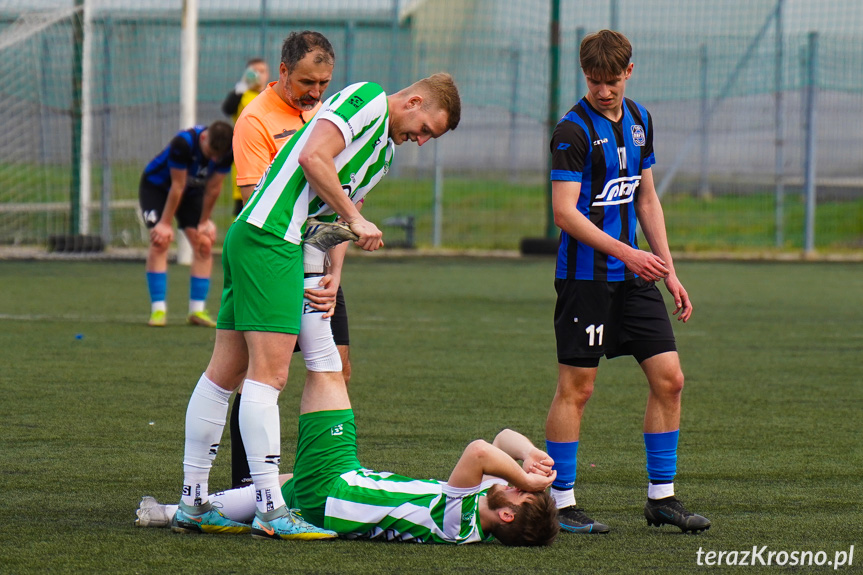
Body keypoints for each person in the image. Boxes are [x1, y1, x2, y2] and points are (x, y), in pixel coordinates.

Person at [174, 72, 462, 539]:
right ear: (414, 101)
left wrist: (332, 274)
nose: (422, 141)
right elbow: (313, 158)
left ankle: (193, 503)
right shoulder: (366, 98)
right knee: (269, 378)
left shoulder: (384, 153)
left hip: (275, 242)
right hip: (272, 238)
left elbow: (333, 211)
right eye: (427, 128)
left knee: (225, 372)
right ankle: (269, 508)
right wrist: (355, 218)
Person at [544, 29, 710, 534]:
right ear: (585, 75)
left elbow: (645, 199)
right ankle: (560, 501)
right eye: (595, 81)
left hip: (635, 277)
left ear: (628, 73)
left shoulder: (639, 121)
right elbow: (563, 214)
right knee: (578, 387)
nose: (603, 90)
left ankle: (662, 498)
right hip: (586, 279)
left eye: (612, 81)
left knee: (670, 379)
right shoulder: (571, 132)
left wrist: (668, 268)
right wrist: (629, 253)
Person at [136, 375, 560, 546]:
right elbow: (503, 439)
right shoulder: (484, 506)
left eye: (520, 494)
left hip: (335, 490)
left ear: (506, 516)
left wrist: (523, 473)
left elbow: (480, 449)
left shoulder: (462, 523)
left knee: (326, 370)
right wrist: (529, 455)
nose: (518, 485)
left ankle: (307, 272)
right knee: (281, 483)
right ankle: (170, 513)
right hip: (336, 492)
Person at [223, 31, 346, 491]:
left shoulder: (326, 117)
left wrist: (334, 271)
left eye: (324, 83)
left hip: (321, 263)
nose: (315, 92)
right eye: (307, 82)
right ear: (282, 72)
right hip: (273, 260)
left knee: (335, 367)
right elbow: (260, 205)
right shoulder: (254, 119)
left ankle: (323, 476)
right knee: (255, 374)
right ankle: (247, 484)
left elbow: (337, 194)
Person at [139, 121, 233, 328]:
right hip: (157, 188)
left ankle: (197, 310)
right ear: (203, 139)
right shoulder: (183, 143)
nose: (214, 159)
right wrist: (164, 223)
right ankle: (158, 310)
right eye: (211, 153)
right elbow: (177, 186)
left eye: (219, 156)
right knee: (160, 241)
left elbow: (214, 188)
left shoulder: (228, 150)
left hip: (190, 192)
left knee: (204, 244)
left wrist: (204, 221)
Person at [221, 57, 270, 216]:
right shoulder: (241, 95)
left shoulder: (272, 96)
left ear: (267, 75)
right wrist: (241, 87)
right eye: (253, 71)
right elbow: (227, 109)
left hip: (269, 158)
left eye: (262, 71)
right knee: (243, 208)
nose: (258, 75)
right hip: (245, 159)